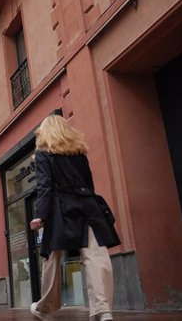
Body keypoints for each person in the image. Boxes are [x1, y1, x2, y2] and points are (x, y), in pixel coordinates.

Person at [29, 115, 120, 321]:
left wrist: (41, 216)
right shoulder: (79, 152)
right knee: (97, 256)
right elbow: (89, 184)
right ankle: (103, 310)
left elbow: (44, 187)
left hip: (60, 208)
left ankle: (45, 307)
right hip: (87, 206)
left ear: (46, 132)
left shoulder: (44, 153)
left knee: (53, 256)